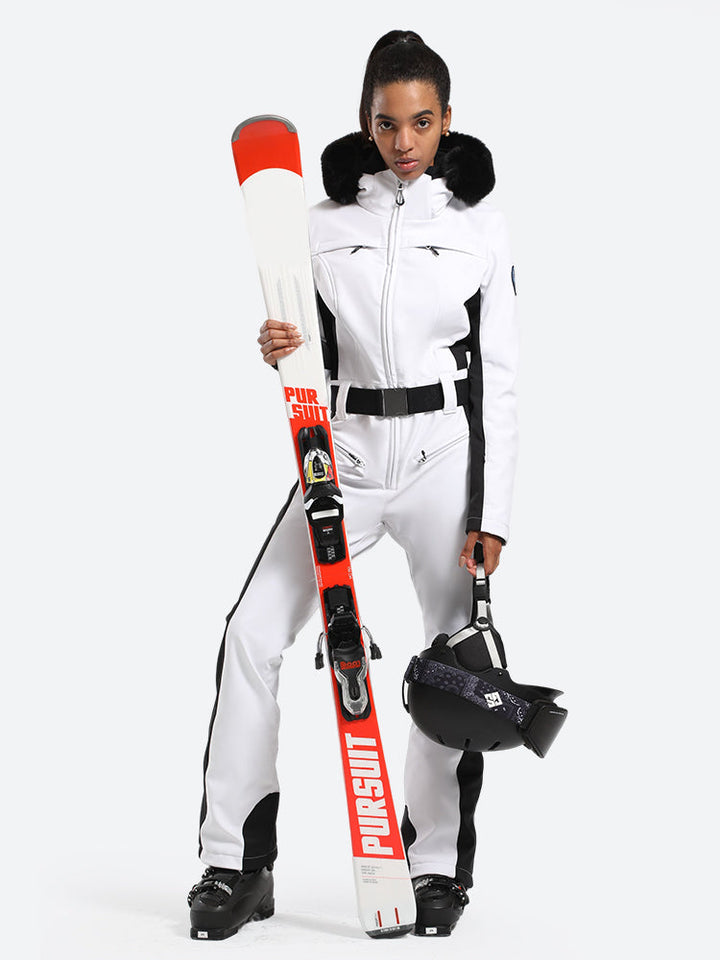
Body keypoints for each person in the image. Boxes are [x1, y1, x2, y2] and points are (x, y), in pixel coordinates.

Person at [187, 30, 518, 940]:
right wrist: (279, 346)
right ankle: (235, 862)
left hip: (444, 453)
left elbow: (501, 379)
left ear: (446, 120)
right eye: (387, 123)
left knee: (454, 660)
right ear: (367, 123)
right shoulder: (323, 221)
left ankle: (435, 866)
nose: (404, 141)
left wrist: (492, 512)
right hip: (346, 452)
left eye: (422, 122)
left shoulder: (478, 227)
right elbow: (306, 344)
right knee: (251, 632)